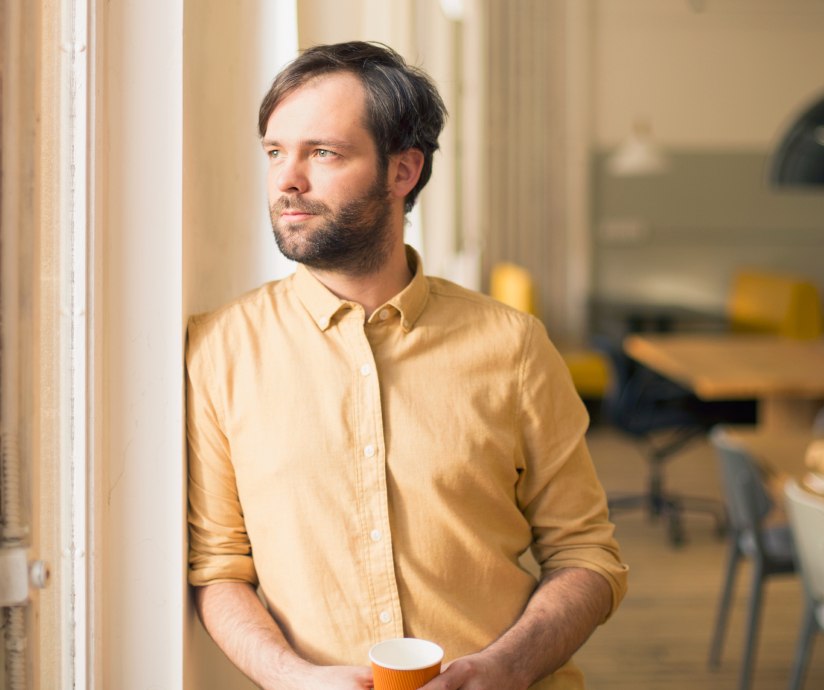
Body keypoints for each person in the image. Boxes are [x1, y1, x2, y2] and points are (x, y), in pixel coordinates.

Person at [186, 40, 628, 690]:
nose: (287, 180)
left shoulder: (513, 346)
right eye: (276, 152)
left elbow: (586, 554)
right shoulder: (218, 349)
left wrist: (508, 667)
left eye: (324, 153)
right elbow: (218, 566)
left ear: (403, 172)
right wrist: (292, 678)